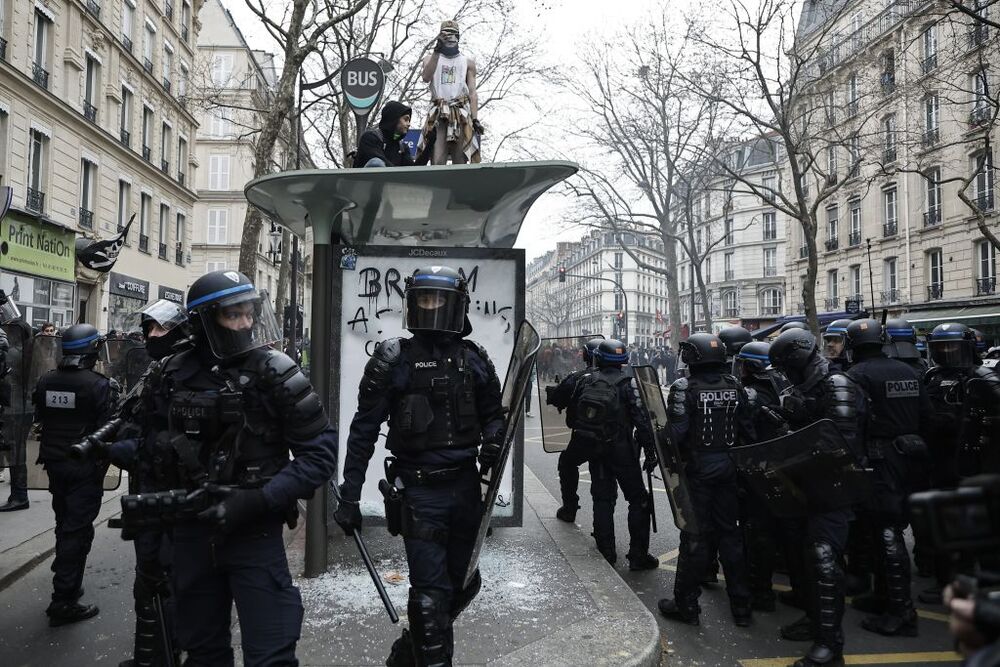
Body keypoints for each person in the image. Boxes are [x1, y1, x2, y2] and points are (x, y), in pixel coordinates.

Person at [152, 270, 337, 665]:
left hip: (254, 534)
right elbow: (139, 441)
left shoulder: (276, 373)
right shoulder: (170, 375)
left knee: (270, 654)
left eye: (249, 313)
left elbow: (319, 456)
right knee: (201, 652)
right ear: (204, 323)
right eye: (232, 316)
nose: (246, 324)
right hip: (189, 533)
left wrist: (257, 500)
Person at [334, 266, 504, 667]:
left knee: (464, 582)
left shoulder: (474, 359)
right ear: (413, 303)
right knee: (429, 597)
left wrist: (494, 439)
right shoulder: (393, 359)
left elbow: (495, 414)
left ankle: (409, 651)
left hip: (465, 489)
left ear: (455, 306)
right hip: (419, 492)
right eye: (425, 299)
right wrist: (350, 495)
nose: (432, 308)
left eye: (440, 301)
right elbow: (363, 430)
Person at [768, 328, 865, 667]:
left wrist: (790, 444)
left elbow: (839, 445)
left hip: (834, 486)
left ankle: (830, 646)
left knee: (825, 559)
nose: (784, 375)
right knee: (807, 558)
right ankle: (816, 620)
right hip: (807, 485)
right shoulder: (805, 388)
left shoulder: (836, 385)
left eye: (785, 367)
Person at [105, 299, 193, 667]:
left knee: (167, 580)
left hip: (173, 495)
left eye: (160, 329)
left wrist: (129, 449)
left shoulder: (187, 375)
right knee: (148, 579)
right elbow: (132, 419)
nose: (152, 336)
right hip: (146, 493)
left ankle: (168, 654)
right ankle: (152, 656)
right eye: (149, 329)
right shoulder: (156, 371)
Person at [657, 333, 755, 627]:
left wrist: (656, 435)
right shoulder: (736, 386)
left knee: (695, 537)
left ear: (692, 357)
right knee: (730, 536)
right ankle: (742, 607)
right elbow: (747, 432)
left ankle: (686, 604)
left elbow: (676, 434)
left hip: (699, 471)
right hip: (729, 468)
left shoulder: (684, 388)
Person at [844, 319, 931, 638]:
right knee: (888, 528)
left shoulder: (857, 376)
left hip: (880, 459)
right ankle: (884, 598)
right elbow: (926, 417)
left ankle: (901, 611)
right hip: (912, 457)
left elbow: (853, 422)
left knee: (886, 533)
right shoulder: (909, 371)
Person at [33, 324, 116, 626]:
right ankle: (64, 599)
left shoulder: (45, 381)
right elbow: (107, 430)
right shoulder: (99, 385)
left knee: (63, 523)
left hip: (54, 463)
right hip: (83, 465)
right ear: (92, 350)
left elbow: (40, 418)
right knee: (76, 531)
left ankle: (68, 583)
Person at [920, 322, 1000, 603]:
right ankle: (948, 580)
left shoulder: (983, 376)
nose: (945, 352)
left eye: (951, 345)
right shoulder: (930, 375)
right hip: (941, 459)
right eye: (940, 347)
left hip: (976, 460)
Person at [570, 339, 658, 570]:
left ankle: (606, 552)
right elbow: (644, 422)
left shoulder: (587, 381)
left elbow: (572, 419)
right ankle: (638, 555)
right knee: (638, 501)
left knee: (602, 499)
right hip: (624, 451)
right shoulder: (630, 385)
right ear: (624, 360)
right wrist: (651, 453)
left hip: (596, 450)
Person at [732, 341, 789, 611]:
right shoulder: (784, 388)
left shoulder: (749, 394)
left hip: (756, 468)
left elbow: (742, 433)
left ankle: (760, 591)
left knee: (756, 532)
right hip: (782, 467)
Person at [545, 338, 603, 523]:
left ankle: (569, 508)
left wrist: (552, 392)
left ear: (587, 355)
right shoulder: (626, 380)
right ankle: (632, 548)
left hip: (584, 438)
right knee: (607, 488)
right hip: (616, 441)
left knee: (567, 464)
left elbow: (558, 399)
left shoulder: (578, 378)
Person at [419, 20, 482, 165]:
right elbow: (426, 77)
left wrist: (475, 118)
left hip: (460, 113)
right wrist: (437, 50)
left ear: (458, 37)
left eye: (453, 34)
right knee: (437, 158)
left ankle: (459, 186)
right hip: (438, 113)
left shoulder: (468, 62)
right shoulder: (430, 58)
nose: (450, 38)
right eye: (446, 34)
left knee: (460, 159)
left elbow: (472, 92)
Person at [353, 101, 434, 168]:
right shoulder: (370, 138)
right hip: (364, 184)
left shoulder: (402, 148)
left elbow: (413, 172)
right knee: (376, 163)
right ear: (394, 119)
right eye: (406, 119)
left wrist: (430, 144)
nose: (409, 124)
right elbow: (381, 166)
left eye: (409, 121)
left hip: (390, 185)